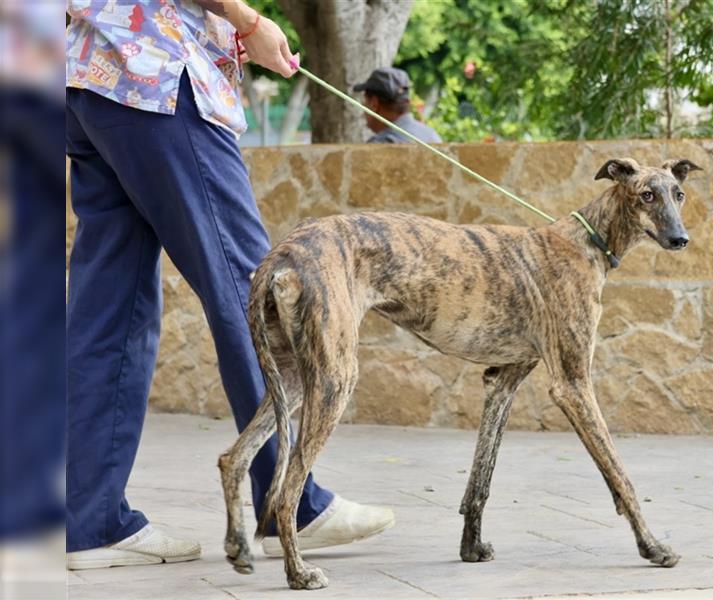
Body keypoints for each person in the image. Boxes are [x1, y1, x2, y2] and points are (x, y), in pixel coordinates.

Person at [65, 0, 393, 570]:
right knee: (255, 293)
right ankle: (293, 505)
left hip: (93, 76)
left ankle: (85, 522)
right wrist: (248, 21)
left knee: (108, 312)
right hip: (164, 79)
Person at [354, 67, 442, 144]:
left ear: (374, 103)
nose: (363, 108)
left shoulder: (381, 144)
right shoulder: (432, 136)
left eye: (365, 101)